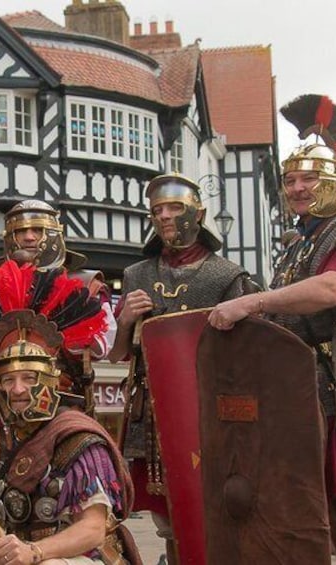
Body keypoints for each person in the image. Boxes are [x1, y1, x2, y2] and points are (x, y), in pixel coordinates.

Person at [209, 94, 336, 564]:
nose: (296, 188)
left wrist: (250, 301)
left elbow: (330, 290)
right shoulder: (297, 244)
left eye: (309, 177)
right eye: (290, 180)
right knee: (325, 518)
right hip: (298, 393)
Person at [109, 172, 255, 564]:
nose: (165, 216)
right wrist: (125, 320)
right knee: (163, 510)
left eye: (175, 207)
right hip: (151, 410)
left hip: (208, 408)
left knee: (213, 504)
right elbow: (117, 354)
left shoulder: (228, 276)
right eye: (157, 210)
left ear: (198, 213)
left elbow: (250, 353)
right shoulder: (136, 274)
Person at [0, 337, 136, 565]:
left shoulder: (76, 437)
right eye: (8, 380)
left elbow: (93, 529)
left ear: (48, 382)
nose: (17, 389)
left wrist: (34, 552)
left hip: (84, 557)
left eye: (29, 378)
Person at [0, 200, 115, 419]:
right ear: (9, 237)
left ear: (54, 234)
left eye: (38, 230)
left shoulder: (84, 286)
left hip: (59, 405)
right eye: (21, 231)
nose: (29, 237)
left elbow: (102, 348)